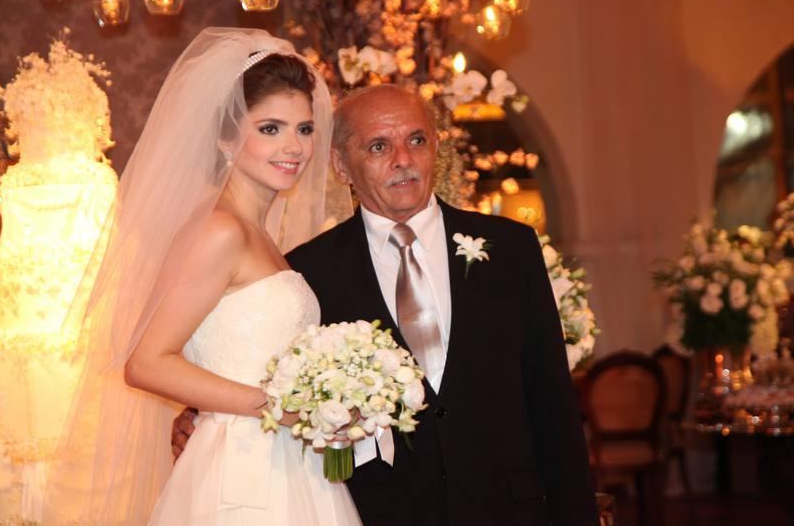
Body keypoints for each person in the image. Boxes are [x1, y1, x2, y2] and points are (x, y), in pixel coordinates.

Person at [175, 84, 598, 525]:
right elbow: (271, 372)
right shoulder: (306, 272)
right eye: (378, 146)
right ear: (341, 165)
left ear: (436, 148)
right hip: (378, 512)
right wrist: (196, 418)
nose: (403, 159)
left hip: (510, 511)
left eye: (416, 140)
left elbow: (553, 401)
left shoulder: (511, 248)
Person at [41, 28, 359, 525]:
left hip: (285, 463)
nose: (293, 146)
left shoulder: (258, 234)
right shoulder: (220, 230)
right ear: (227, 137)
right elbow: (146, 362)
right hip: (242, 470)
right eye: (270, 128)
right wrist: (277, 405)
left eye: (304, 128)